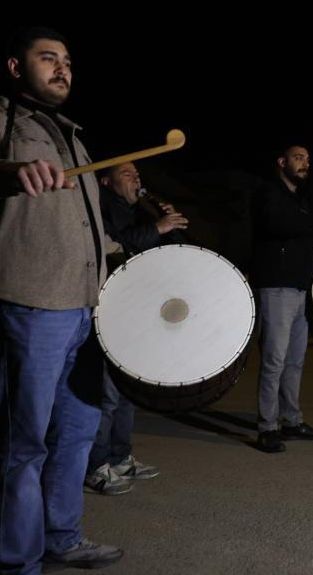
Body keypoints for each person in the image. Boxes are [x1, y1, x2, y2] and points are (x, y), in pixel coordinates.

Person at [0, 26, 124, 573]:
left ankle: (61, 536)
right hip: (28, 305)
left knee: (76, 435)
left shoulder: (75, 138)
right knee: (24, 443)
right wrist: (12, 170)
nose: (63, 67)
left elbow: (90, 231)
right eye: (48, 58)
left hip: (85, 310)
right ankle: (19, 562)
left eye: (67, 60)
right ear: (16, 67)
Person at [83, 161, 187, 494]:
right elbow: (115, 245)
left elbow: (171, 245)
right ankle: (96, 465)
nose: (135, 179)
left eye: (137, 175)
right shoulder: (99, 208)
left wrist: (169, 221)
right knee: (106, 394)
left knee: (128, 390)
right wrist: (157, 226)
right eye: (126, 174)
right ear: (106, 182)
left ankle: (120, 456)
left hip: (138, 307)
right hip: (111, 306)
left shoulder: (143, 212)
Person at [250, 144, 313, 453]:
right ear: (282, 161)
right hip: (276, 288)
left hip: (300, 289)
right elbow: (273, 223)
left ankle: (291, 421)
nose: (305, 164)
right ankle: (267, 428)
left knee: (294, 362)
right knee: (274, 361)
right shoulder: (268, 193)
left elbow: (305, 239)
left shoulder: (300, 201)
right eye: (298, 158)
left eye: (307, 160)